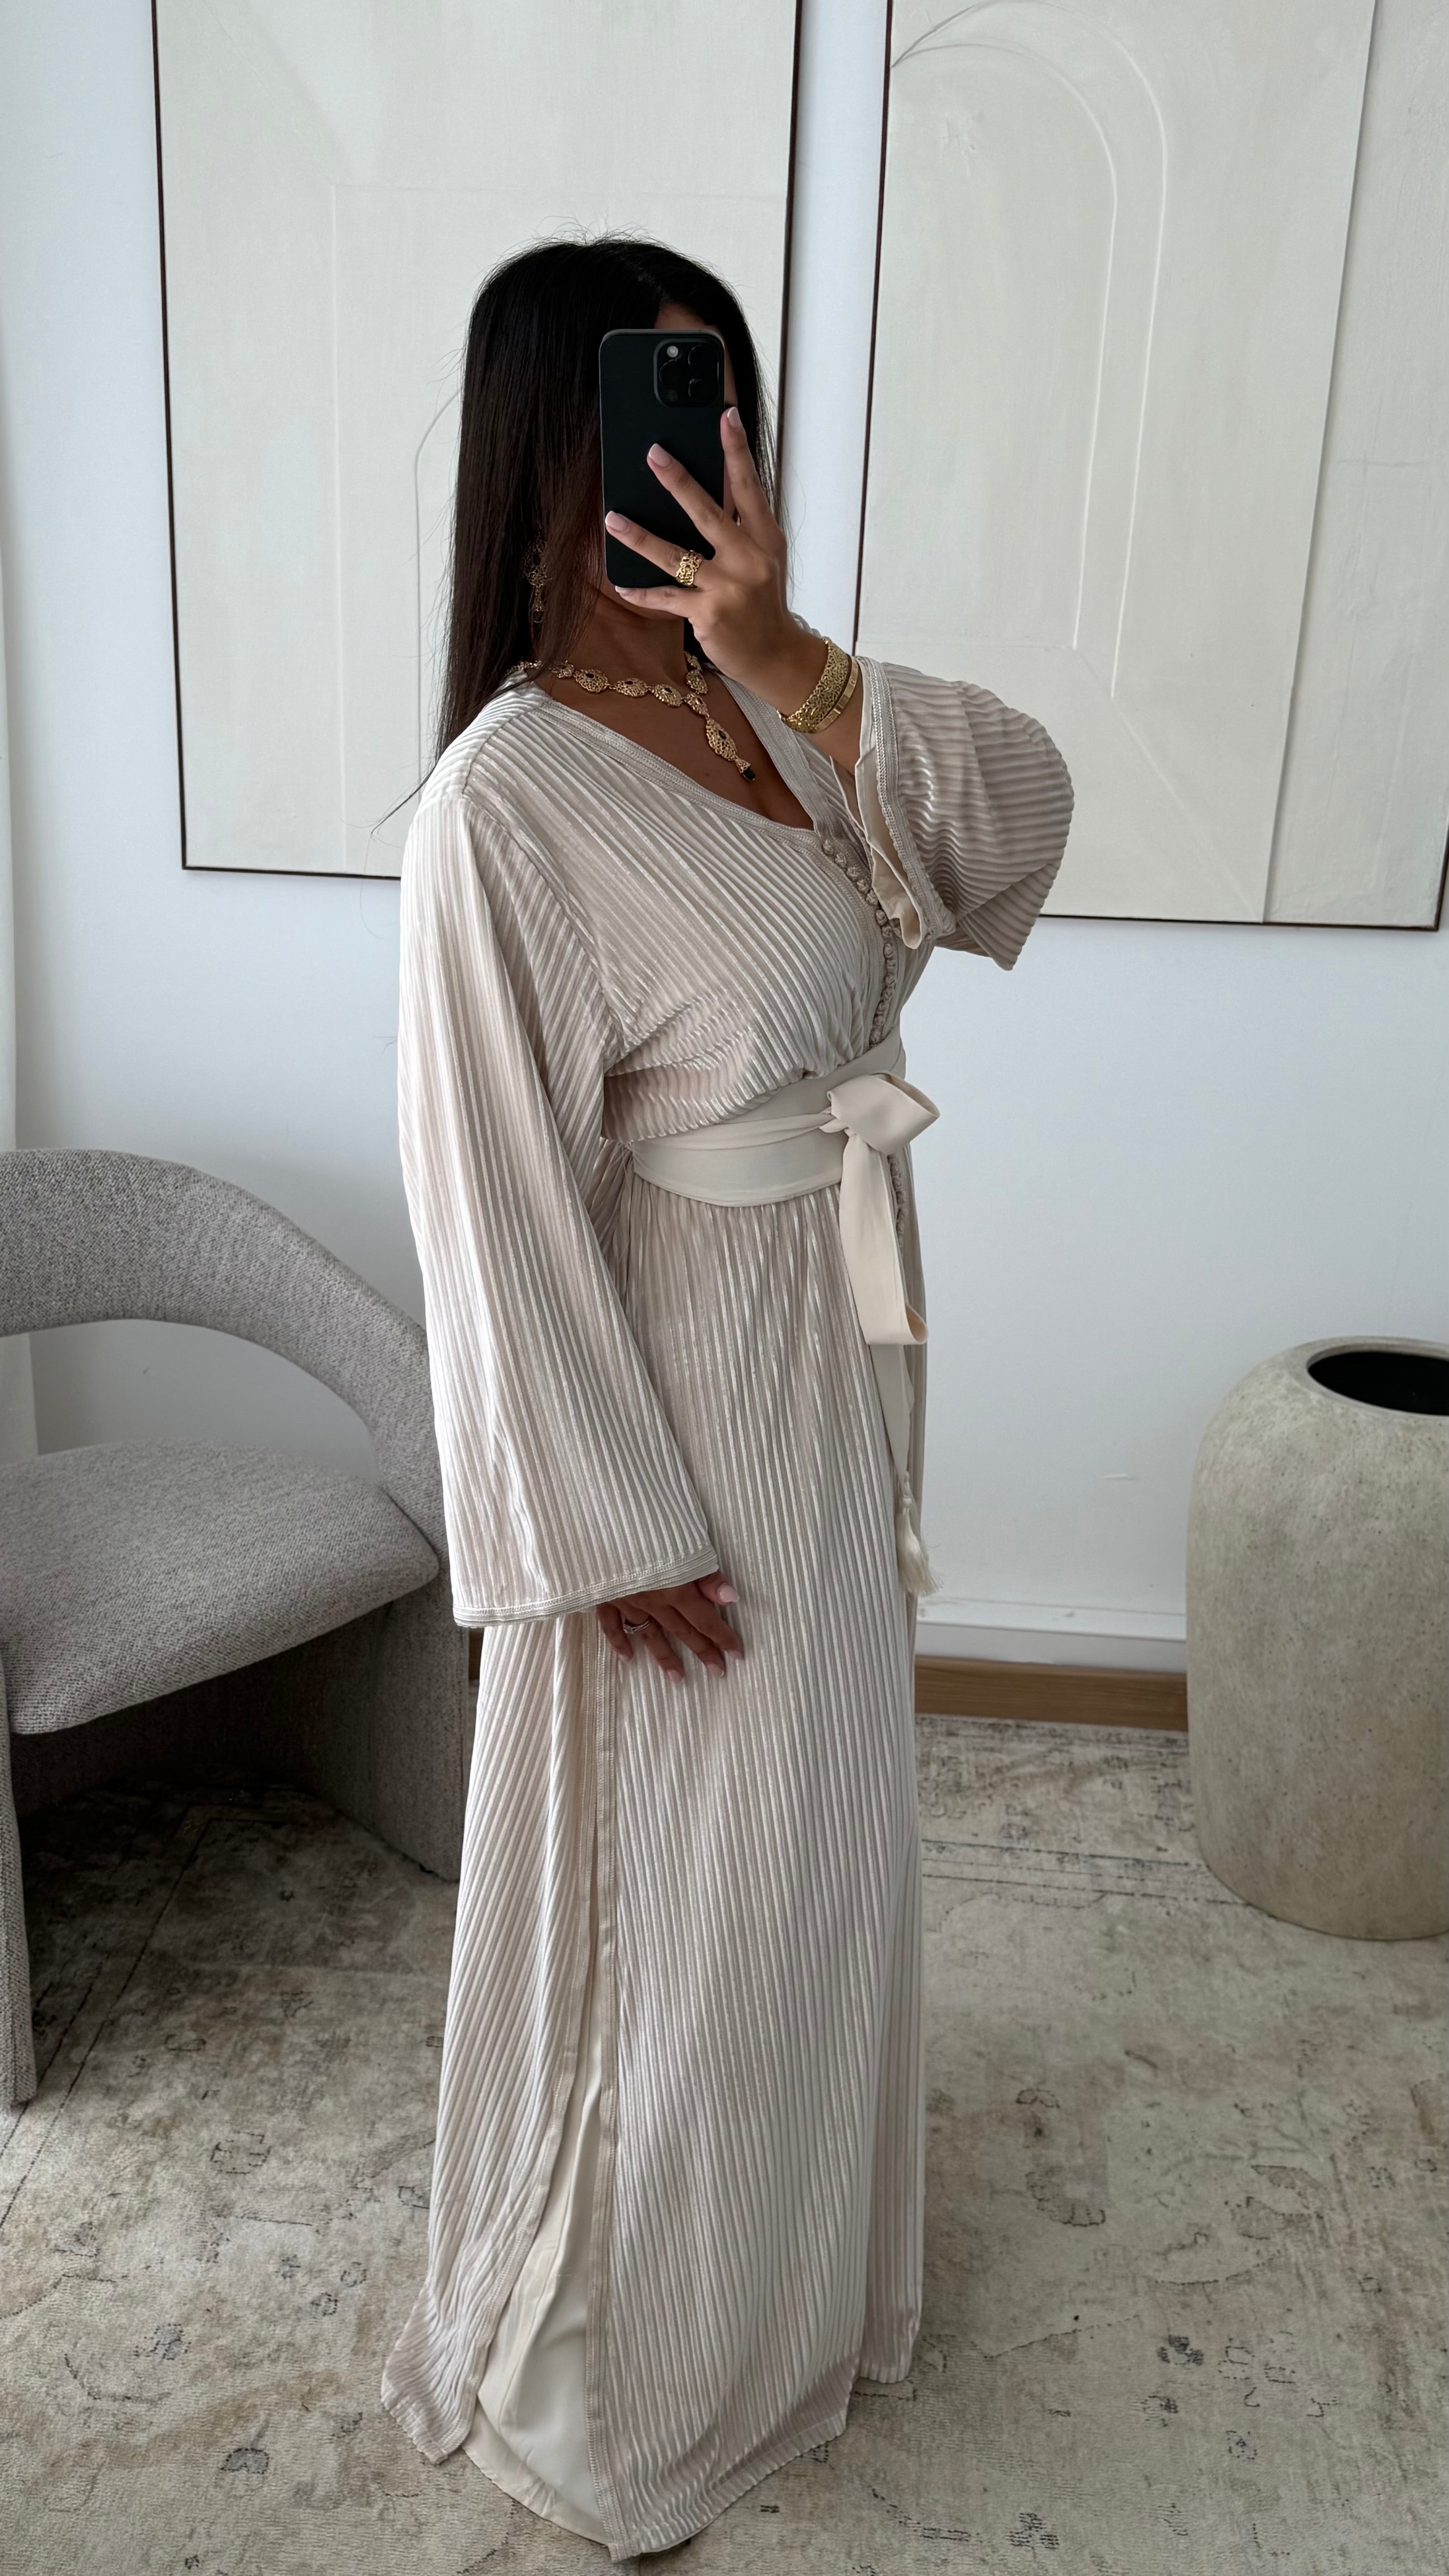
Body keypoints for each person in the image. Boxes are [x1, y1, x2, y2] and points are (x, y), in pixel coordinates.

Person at [381, 236, 1073, 2561]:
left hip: (835, 1361)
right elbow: (488, 1193)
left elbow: (1014, 822)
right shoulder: (502, 803)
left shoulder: (769, 706)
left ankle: (796, 2282)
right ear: (545, 443)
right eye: (653, 403)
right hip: (673, 1415)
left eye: (725, 400)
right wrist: (604, 1526)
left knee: (820, 1843)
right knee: (694, 1883)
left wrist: (789, 648)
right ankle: (645, 2356)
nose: (705, 451)